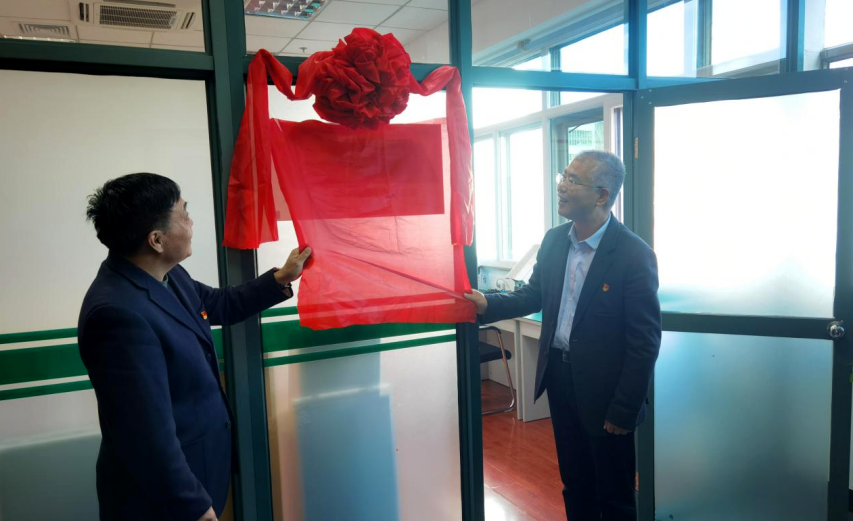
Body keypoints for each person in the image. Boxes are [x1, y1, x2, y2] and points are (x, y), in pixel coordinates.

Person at [78, 172, 312, 521]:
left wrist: (281, 277)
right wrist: (194, 508)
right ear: (156, 240)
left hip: (197, 474)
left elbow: (218, 304)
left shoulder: (166, 275)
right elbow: (146, 436)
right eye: (184, 214)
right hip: (161, 501)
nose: (191, 222)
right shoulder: (117, 315)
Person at [466, 151, 661, 521]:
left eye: (573, 180)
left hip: (607, 392)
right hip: (560, 377)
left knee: (615, 494)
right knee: (575, 482)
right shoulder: (555, 241)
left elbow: (644, 341)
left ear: (602, 195)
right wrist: (487, 303)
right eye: (564, 176)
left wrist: (624, 409)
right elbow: (533, 295)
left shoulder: (633, 255)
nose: (562, 186)